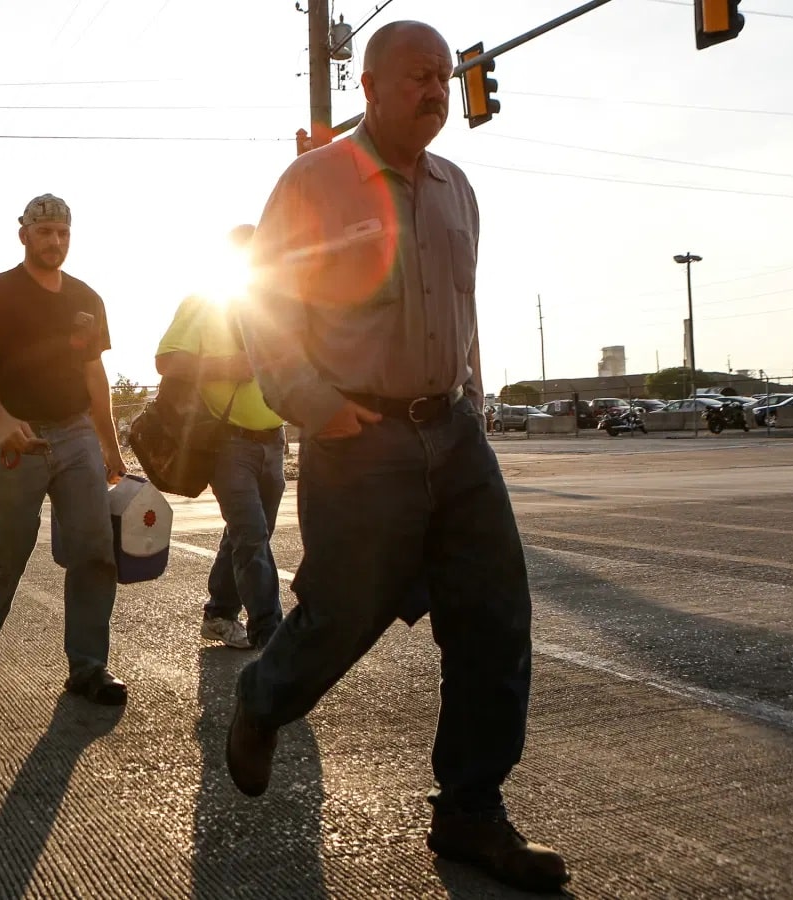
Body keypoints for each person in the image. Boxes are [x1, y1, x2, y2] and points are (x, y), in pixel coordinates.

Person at [224, 21, 568, 893]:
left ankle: (470, 812)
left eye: (445, 77)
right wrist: (313, 406)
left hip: (454, 435)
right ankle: (263, 697)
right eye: (418, 75)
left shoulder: (458, 189)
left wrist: (476, 404)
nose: (437, 89)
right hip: (358, 436)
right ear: (368, 85)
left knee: (495, 619)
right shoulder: (313, 182)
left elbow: (466, 307)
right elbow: (261, 306)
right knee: (344, 615)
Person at [0, 193, 129, 706]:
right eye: (46, 232)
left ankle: (88, 667)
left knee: (95, 551)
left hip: (75, 432)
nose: (55, 241)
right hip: (17, 438)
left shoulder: (86, 299)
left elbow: (94, 375)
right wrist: (3, 421)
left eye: (63, 233)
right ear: (25, 235)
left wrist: (110, 448)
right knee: (8, 549)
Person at [155, 224, 285, 650]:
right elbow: (166, 360)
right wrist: (225, 367)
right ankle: (273, 634)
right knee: (251, 536)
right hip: (228, 441)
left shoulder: (278, 309)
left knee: (247, 532)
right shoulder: (203, 303)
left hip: (274, 439)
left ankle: (219, 614)